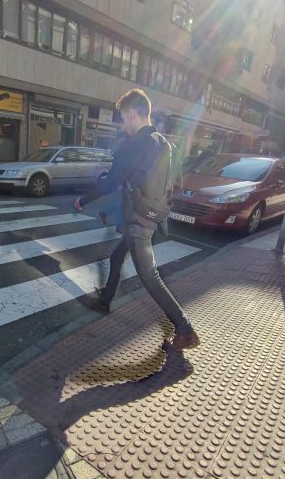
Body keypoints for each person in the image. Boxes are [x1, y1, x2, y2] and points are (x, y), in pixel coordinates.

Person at [74, 89, 199, 351]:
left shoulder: (135, 145)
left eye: (122, 118)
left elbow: (111, 182)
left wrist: (84, 199)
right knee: (117, 256)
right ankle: (105, 300)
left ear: (132, 114)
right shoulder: (163, 142)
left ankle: (185, 329)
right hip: (151, 213)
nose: (122, 124)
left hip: (139, 218)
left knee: (149, 276)